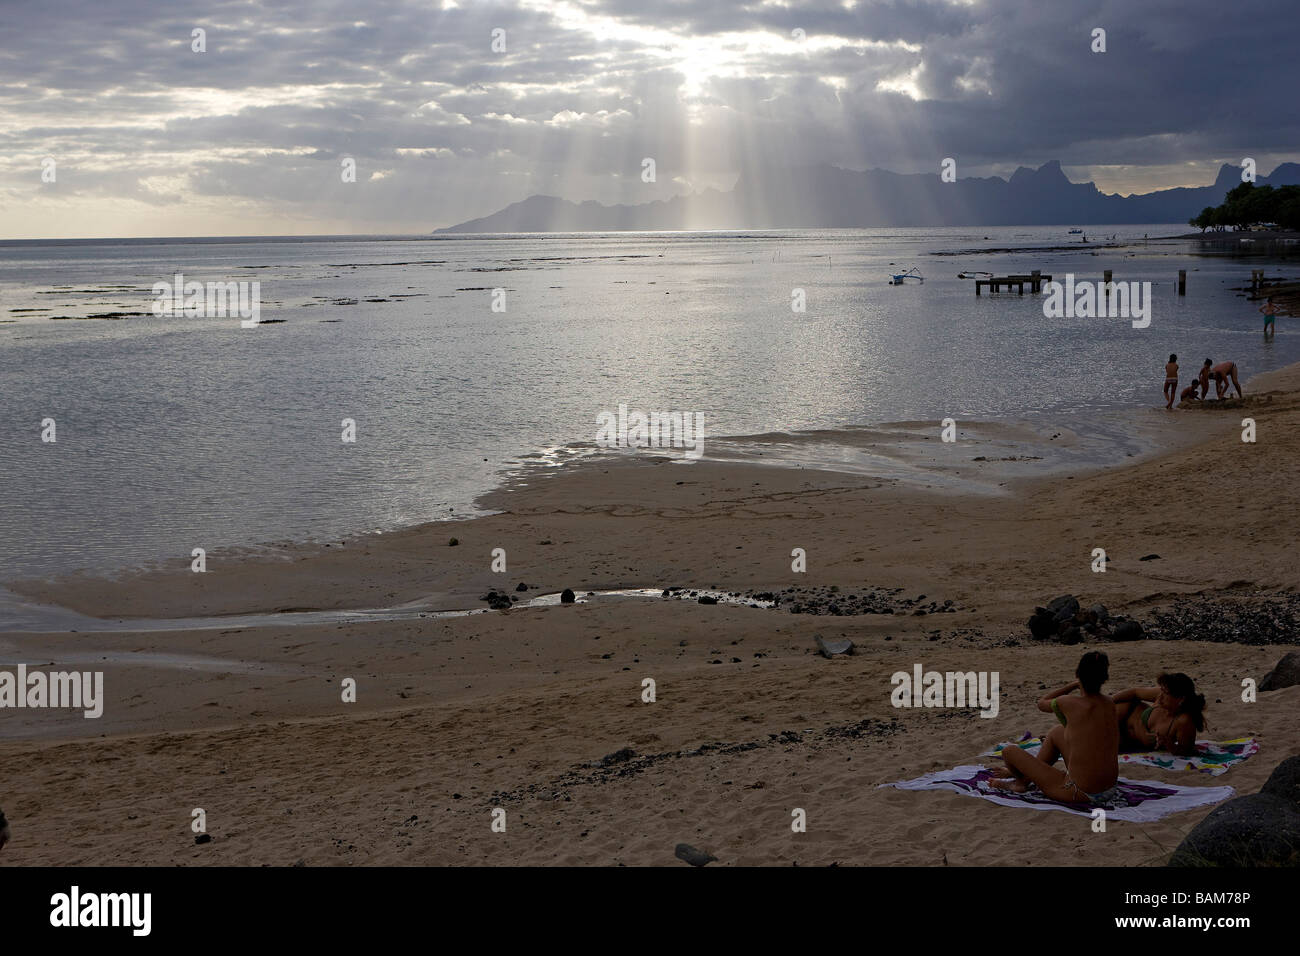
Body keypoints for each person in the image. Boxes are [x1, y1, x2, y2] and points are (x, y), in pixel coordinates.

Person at [989, 651, 1119, 805]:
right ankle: (1026, 775)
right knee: (1057, 731)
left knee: (1008, 751)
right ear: (1103, 679)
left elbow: (1042, 702)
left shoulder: (1068, 702)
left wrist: (1073, 684)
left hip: (1079, 792)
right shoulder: (1109, 703)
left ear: (1079, 675)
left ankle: (1019, 783)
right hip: (1110, 789)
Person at [1112, 672, 1207, 757]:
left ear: (1181, 699)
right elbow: (1135, 692)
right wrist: (1109, 701)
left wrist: (1170, 745)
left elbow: (1186, 751)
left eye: (1165, 693)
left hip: (1126, 738)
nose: (1160, 696)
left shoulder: (1183, 721)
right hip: (1124, 712)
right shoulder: (1161, 694)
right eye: (1161, 690)